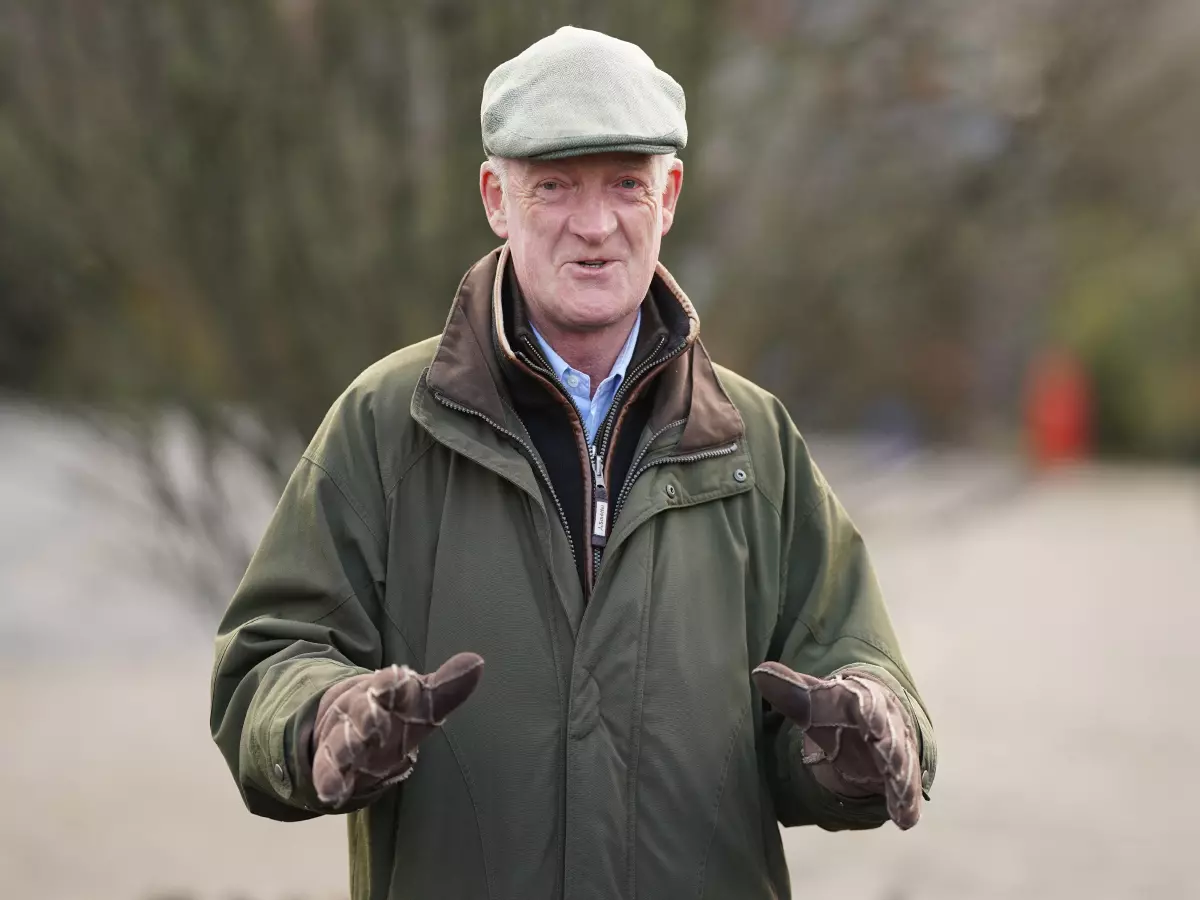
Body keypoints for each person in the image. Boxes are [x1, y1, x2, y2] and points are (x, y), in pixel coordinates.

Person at [210, 25, 937, 900]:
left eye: (626, 184)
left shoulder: (756, 443)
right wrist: (325, 718)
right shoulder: (385, 424)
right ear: (496, 196)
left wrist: (857, 744)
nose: (594, 227)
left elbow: (857, 672)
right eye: (553, 185)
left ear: (669, 197)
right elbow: (268, 658)